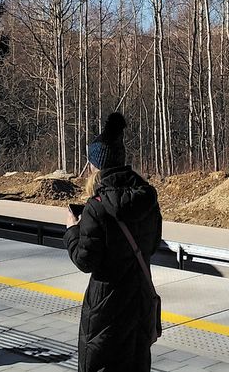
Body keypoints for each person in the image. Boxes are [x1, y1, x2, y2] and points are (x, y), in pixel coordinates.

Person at [65, 112, 161, 372]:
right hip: (139, 299)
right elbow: (152, 246)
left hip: (106, 304)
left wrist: (73, 231)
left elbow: (86, 260)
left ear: (97, 165)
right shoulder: (148, 197)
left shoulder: (96, 207)